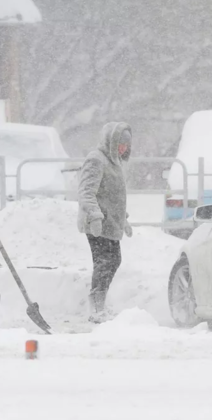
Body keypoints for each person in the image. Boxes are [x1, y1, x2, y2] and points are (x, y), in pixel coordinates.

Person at [77, 122, 133, 322]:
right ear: (111, 141)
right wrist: (94, 216)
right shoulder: (96, 160)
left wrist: (123, 219)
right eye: (120, 144)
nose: (123, 148)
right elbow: (86, 192)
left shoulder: (114, 162)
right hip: (98, 224)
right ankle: (96, 307)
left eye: (126, 145)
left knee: (113, 261)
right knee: (104, 263)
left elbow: (114, 196)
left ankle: (99, 303)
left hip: (111, 224)